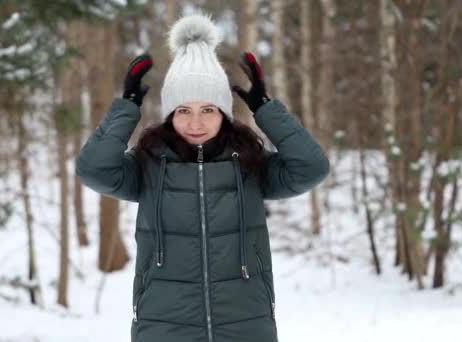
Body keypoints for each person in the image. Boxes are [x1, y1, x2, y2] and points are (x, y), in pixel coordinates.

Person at [76, 13, 329, 342]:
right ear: (170, 114)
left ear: (223, 112)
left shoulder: (249, 163)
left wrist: (266, 109)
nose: (196, 123)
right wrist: (126, 108)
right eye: (184, 110)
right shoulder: (149, 164)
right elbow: (93, 170)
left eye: (207, 109)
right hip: (164, 325)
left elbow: (312, 168)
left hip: (245, 324)